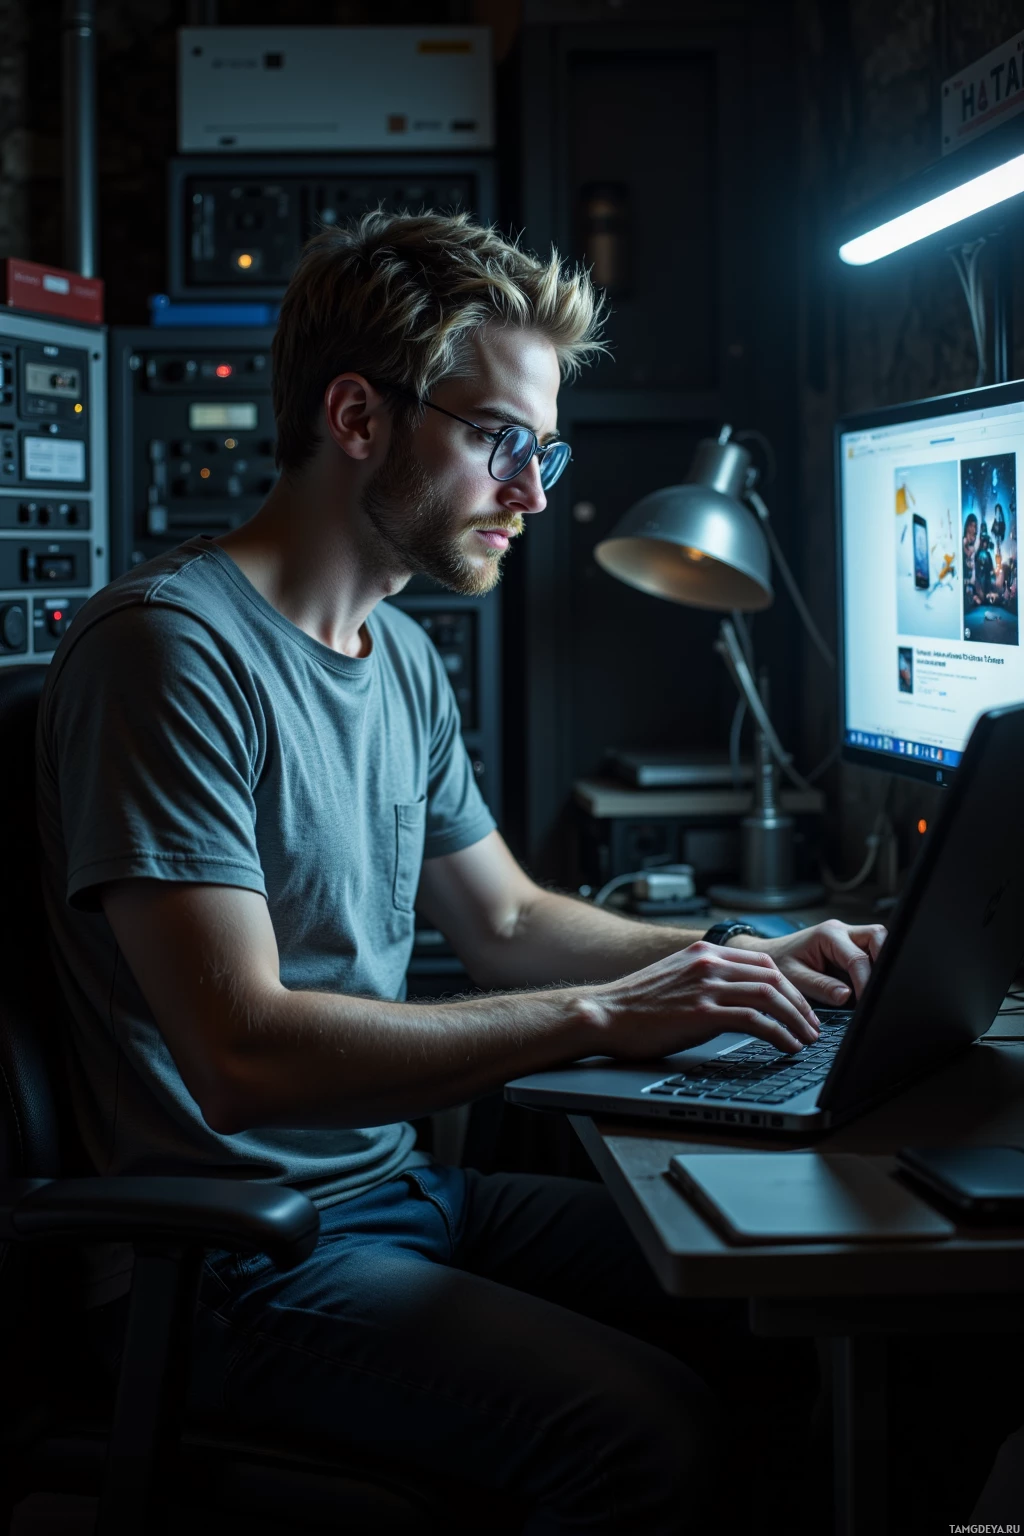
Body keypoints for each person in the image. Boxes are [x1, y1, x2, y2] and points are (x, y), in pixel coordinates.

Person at [37, 211, 885, 1533]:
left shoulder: (402, 658)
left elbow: (505, 921)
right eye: (502, 440)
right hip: (226, 1259)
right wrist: (609, 1014)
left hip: (392, 1193)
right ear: (360, 418)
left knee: (799, 1302)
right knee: (645, 1439)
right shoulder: (169, 653)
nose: (535, 493)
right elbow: (239, 1052)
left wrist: (749, 960)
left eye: (543, 449)